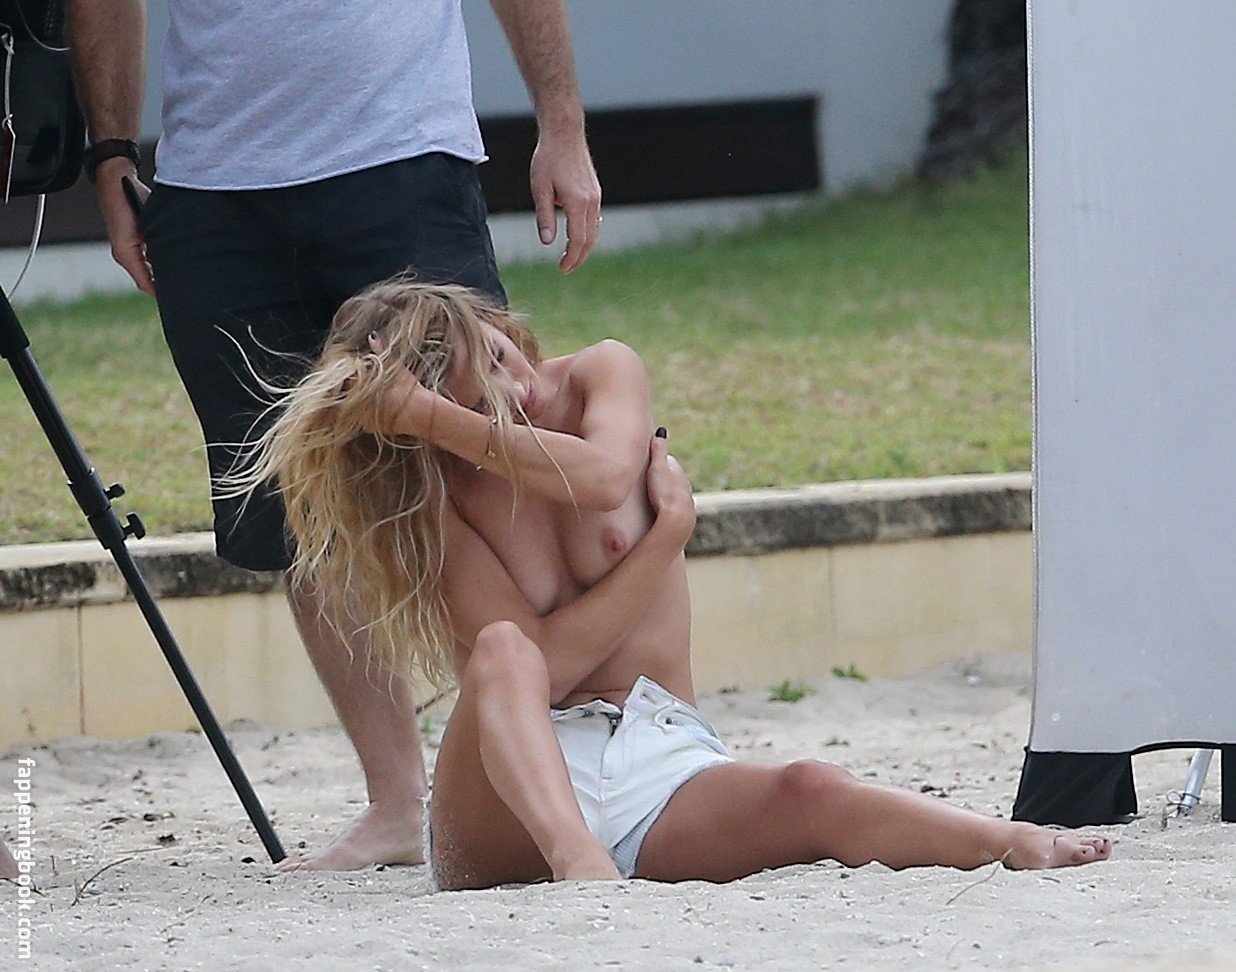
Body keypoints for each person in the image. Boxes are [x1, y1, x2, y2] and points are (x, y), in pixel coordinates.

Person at [238, 278, 1113, 889]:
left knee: (811, 787)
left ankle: (1009, 841)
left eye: (500, 356)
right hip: (515, 791)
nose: (516, 393)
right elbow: (535, 667)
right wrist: (663, 545)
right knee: (503, 649)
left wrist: (449, 416)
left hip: (658, 749)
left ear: (498, 323)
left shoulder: (600, 371)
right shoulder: (435, 495)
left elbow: (604, 477)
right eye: (480, 401)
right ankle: (580, 862)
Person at [66, 0, 602, 870]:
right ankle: (397, 804)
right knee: (303, 502)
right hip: (213, 189)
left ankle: (564, 778)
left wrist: (563, 127)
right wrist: (112, 154)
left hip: (402, 156)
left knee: (482, 462)